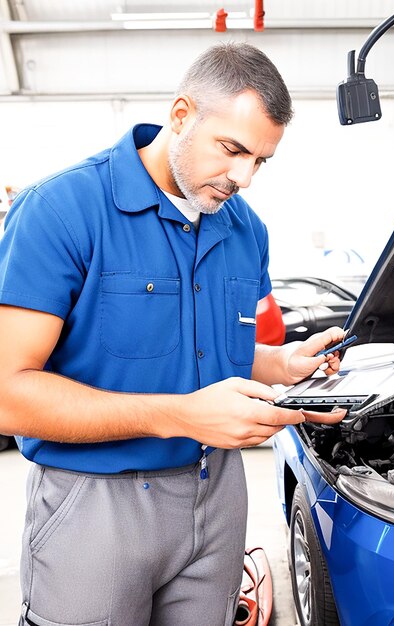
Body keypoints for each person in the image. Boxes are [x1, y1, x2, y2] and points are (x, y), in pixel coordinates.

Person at [0, 42, 347, 626]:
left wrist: (281, 364)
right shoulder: (60, 211)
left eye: (260, 160)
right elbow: (8, 394)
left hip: (218, 495)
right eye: (233, 149)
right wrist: (180, 415)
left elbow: (210, 349)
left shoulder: (244, 229)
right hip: (96, 502)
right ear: (182, 116)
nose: (244, 177)